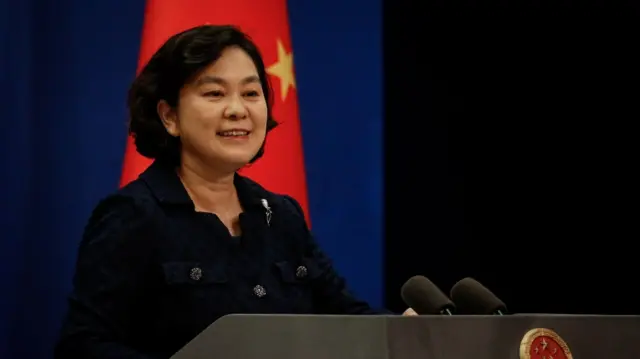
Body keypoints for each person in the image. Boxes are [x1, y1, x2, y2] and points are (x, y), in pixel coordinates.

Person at [54, 24, 413, 359]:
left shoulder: (281, 216)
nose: (238, 110)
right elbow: (83, 346)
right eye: (214, 93)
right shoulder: (131, 215)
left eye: (251, 93)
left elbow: (343, 315)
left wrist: (405, 329)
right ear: (169, 117)